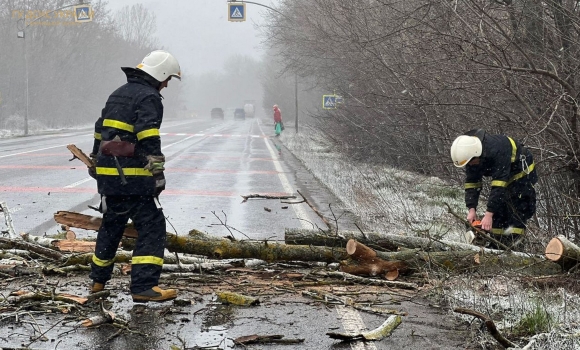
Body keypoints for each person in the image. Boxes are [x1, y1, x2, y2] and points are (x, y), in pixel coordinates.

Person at [88, 50, 181, 303]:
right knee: (152, 227)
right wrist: (157, 171)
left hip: (109, 175)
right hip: (132, 179)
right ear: (159, 74)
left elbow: (100, 129)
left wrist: (96, 158)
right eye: (167, 78)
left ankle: (98, 281)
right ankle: (144, 286)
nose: (167, 84)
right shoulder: (149, 97)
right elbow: (148, 135)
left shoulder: (118, 93)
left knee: (111, 227)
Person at [450, 129, 537, 249]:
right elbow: (472, 183)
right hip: (505, 173)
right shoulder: (471, 157)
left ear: (477, 153)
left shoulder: (497, 150)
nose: (470, 165)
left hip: (521, 173)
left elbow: (498, 185)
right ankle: (496, 246)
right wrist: (471, 208)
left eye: (471, 162)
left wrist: (489, 214)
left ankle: (515, 246)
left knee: (515, 210)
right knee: (499, 212)